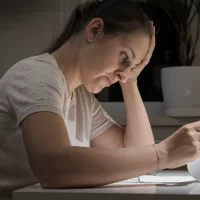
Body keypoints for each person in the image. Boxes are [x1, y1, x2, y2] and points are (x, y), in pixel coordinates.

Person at [0, 0, 200, 197]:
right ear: (95, 30)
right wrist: (164, 153)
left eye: (132, 66)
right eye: (124, 58)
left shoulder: (82, 98)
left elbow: (138, 157)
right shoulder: (36, 75)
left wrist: (130, 83)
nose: (123, 73)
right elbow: (53, 167)